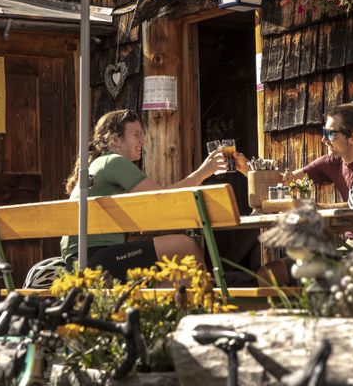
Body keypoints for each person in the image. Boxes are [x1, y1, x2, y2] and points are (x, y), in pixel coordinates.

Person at [60, 109, 246, 281]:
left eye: (142, 134)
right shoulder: (113, 161)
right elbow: (162, 199)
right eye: (136, 135)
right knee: (185, 246)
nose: (142, 141)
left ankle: (187, 310)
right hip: (91, 260)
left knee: (172, 279)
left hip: (80, 260)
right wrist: (203, 172)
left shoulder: (100, 164)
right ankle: (209, 307)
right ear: (114, 140)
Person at [260, 103, 353, 282]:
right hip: (347, 247)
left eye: (330, 133)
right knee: (268, 275)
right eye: (323, 132)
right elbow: (283, 180)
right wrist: (247, 168)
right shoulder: (333, 162)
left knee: (314, 276)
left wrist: (320, 207)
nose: (324, 139)